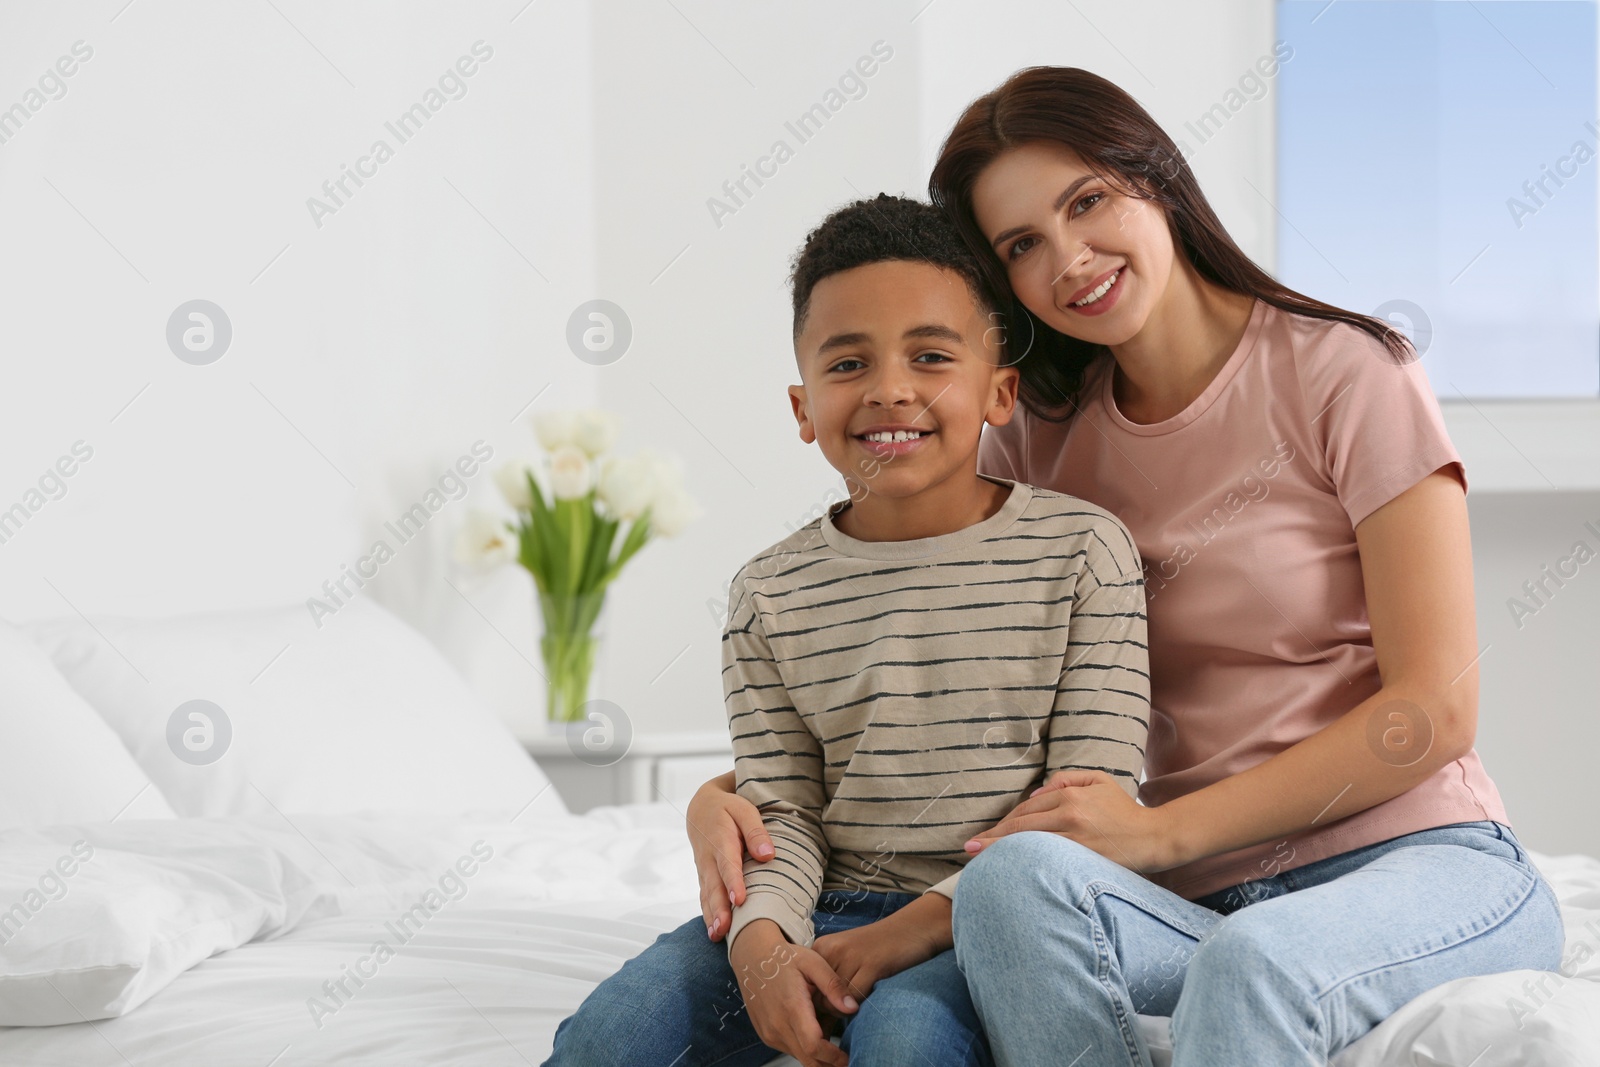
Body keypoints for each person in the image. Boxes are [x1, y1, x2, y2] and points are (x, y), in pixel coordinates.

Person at [686, 66, 1567, 1065]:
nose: (1068, 258)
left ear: (1156, 179)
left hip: (1417, 861)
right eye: (1021, 245)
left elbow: (1433, 711)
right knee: (1016, 883)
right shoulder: (1037, 436)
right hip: (1184, 895)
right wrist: (728, 790)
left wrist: (1163, 833)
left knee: (1256, 962)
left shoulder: (1347, 372)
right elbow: (925, 685)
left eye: (1086, 201)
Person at [543, 193, 1152, 1067]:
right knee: (607, 1038)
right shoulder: (769, 591)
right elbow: (780, 805)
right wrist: (761, 943)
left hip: (989, 917)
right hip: (818, 905)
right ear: (802, 407)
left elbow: (1086, 808)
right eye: (848, 364)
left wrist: (903, 936)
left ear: (999, 390)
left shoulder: (1083, 553)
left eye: (931, 356)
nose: (889, 389)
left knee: (907, 1044)